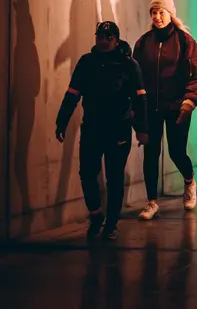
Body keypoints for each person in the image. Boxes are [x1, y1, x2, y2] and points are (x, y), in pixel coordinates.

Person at [55, 21, 149, 240]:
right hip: (92, 127)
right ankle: (96, 213)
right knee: (87, 172)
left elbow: (140, 98)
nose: (104, 41)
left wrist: (142, 129)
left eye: (108, 37)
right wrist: (62, 122)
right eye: (100, 36)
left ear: (116, 40)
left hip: (119, 128)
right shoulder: (87, 63)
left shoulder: (128, 64)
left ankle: (111, 225)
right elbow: (72, 93)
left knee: (115, 177)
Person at [133, 0, 197, 220]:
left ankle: (189, 179)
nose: (157, 17)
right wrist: (137, 109)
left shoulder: (185, 41)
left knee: (176, 152)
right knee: (151, 153)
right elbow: (135, 77)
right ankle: (151, 202)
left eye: (161, 12)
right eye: (153, 12)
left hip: (177, 107)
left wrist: (189, 101)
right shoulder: (143, 43)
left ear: (170, 14)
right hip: (150, 108)